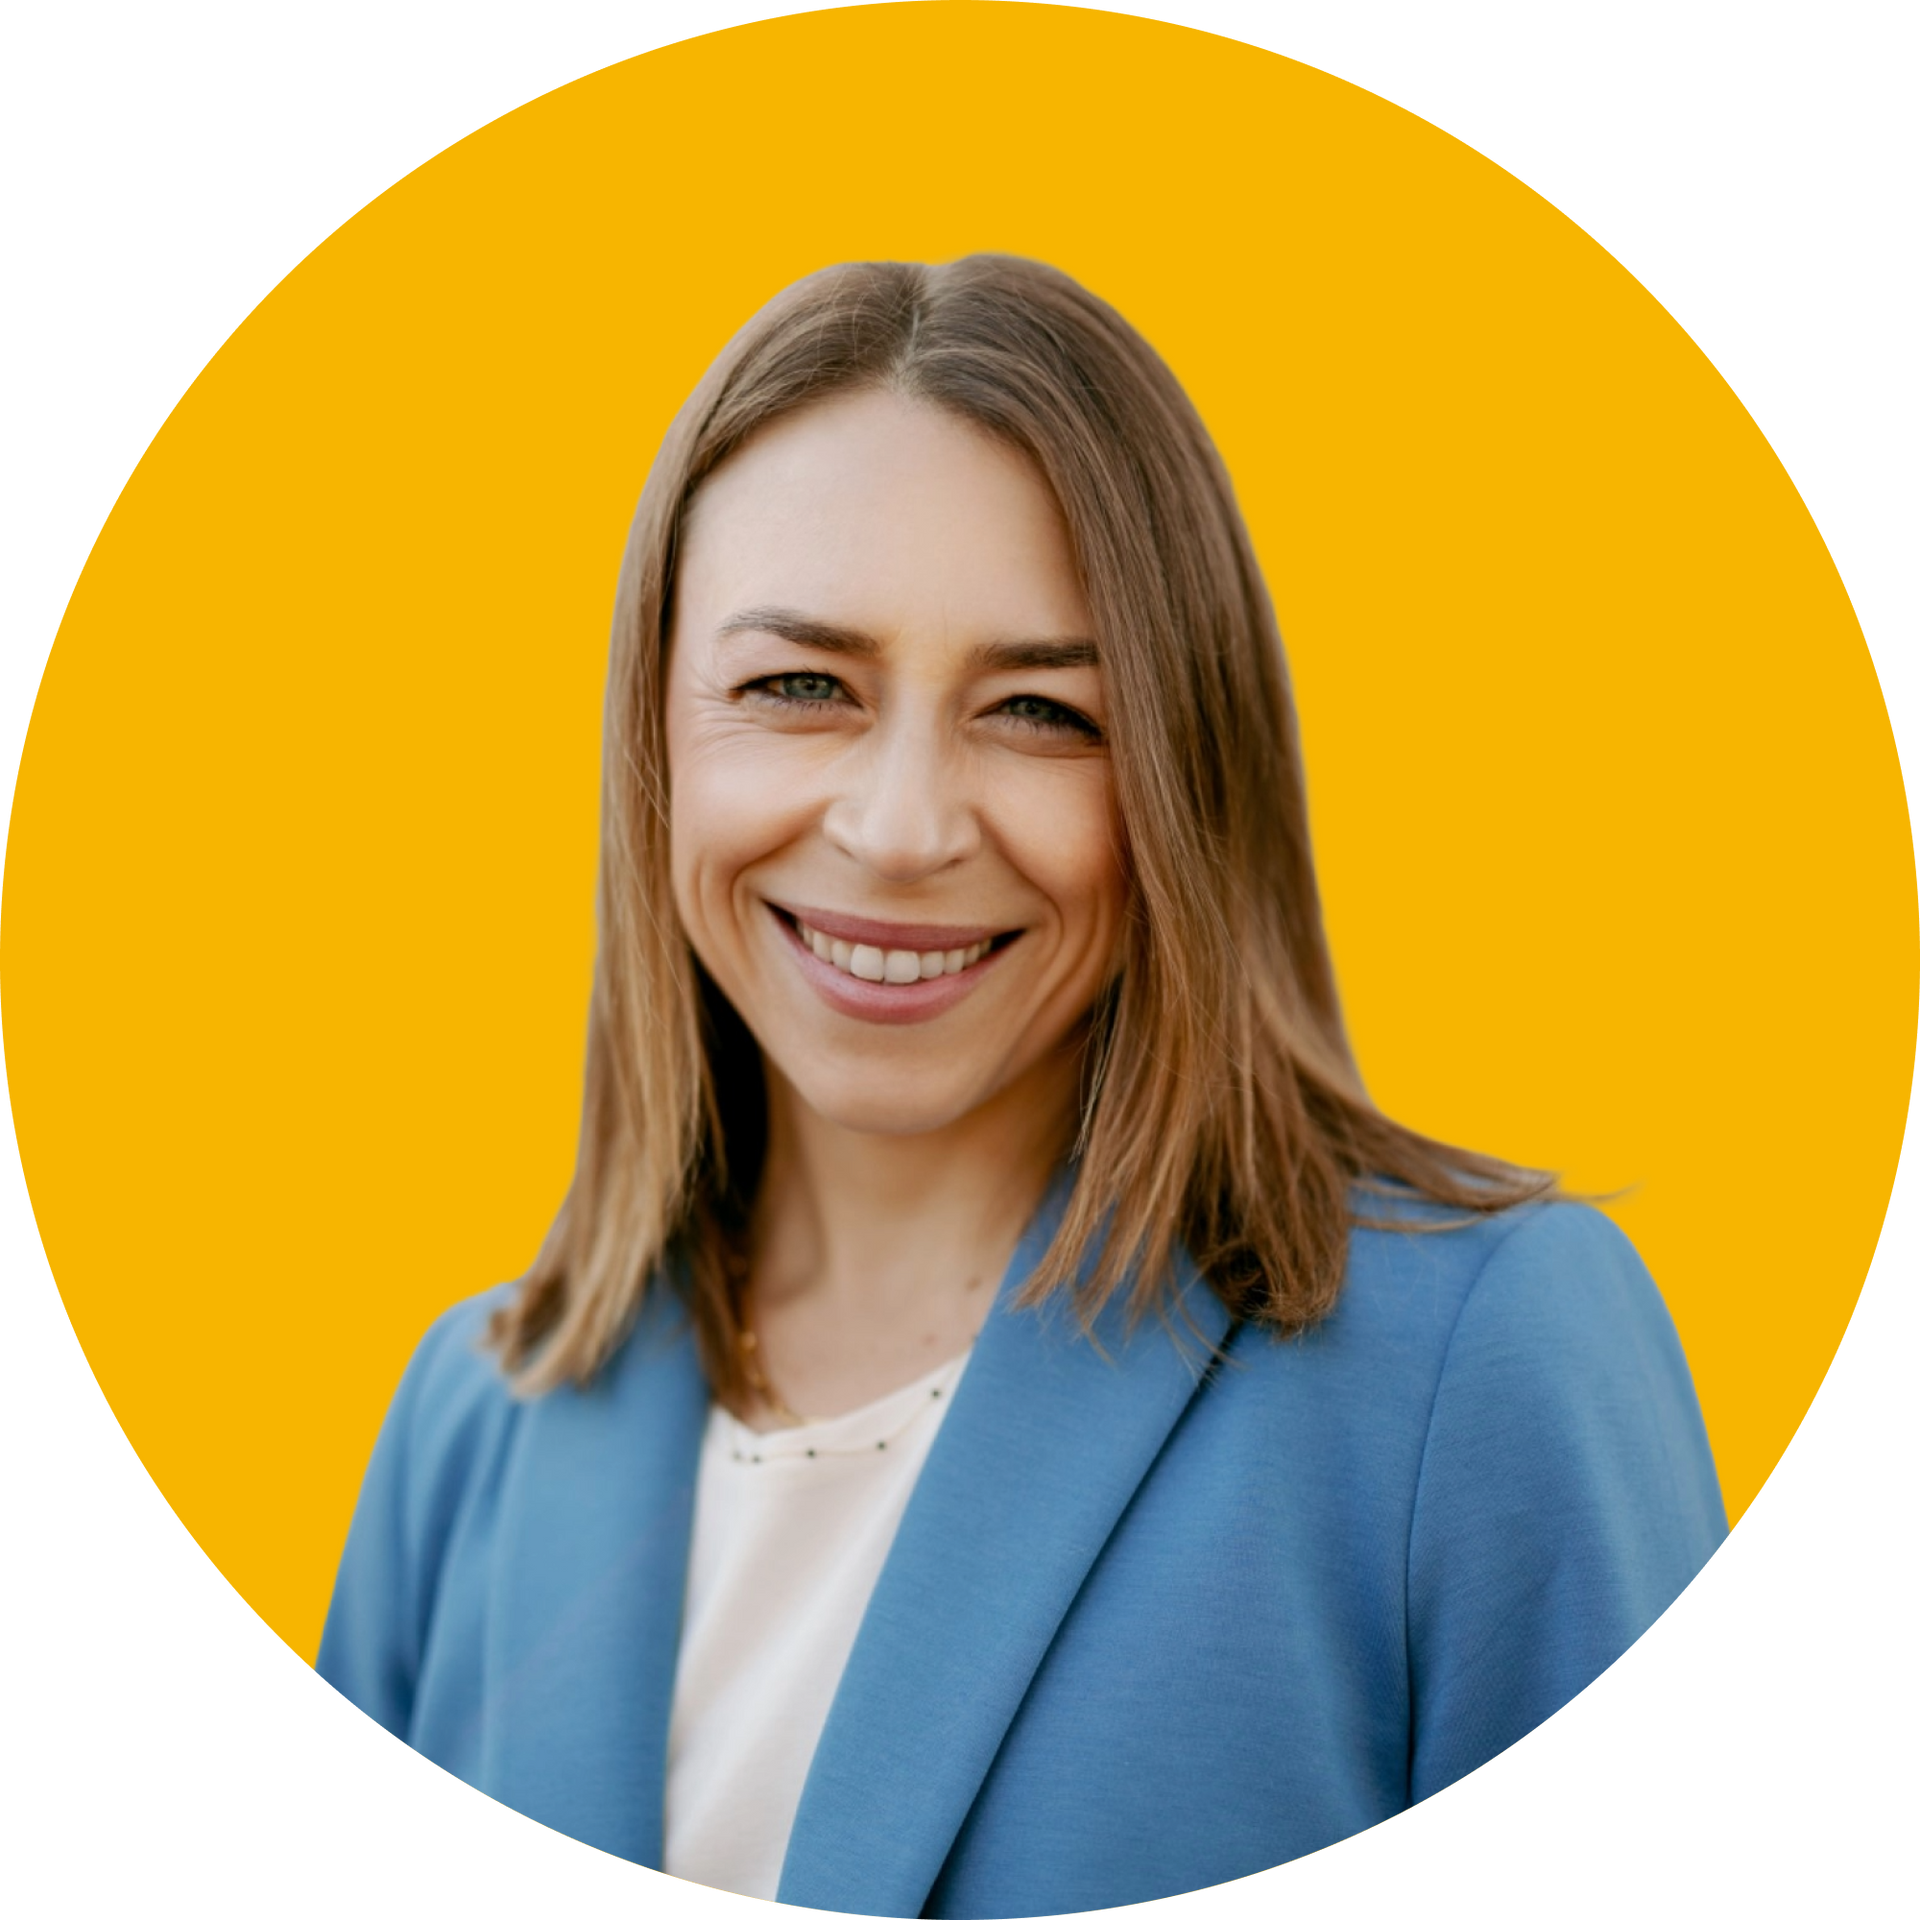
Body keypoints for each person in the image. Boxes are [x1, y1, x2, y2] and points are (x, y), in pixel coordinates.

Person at [315, 255, 1727, 1913]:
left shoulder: (1479, 1366)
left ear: (1184, 781)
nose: (903, 829)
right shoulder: (473, 1424)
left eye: (1043, 713)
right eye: (797, 687)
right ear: (655, 738)